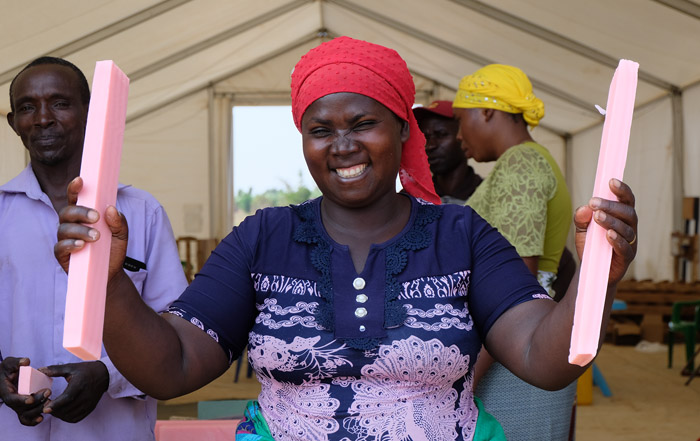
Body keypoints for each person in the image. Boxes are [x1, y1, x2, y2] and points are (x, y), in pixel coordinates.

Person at [55, 37, 638, 441]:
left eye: (364, 123)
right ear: (303, 140)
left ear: (401, 130)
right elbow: (174, 365)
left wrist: (594, 278)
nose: (343, 146)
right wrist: (109, 285)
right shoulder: (264, 239)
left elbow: (544, 357)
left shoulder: (461, 236)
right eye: (320, 130)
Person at [0, 57, 187, 440]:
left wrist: (109, 375)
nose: (43, 118)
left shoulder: (142, 213)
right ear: (13, 123)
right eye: (27, 107)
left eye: (60, 103)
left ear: (91, 112)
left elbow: (177, 330)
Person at [452, 64, 577, 440]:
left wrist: (463, 382)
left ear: (487, 112)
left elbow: (512, 289)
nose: (459, 136)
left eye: (461, 121)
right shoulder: (524, 162)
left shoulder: (522, 165)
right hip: (510, 350)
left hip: (509, 361)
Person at [413, 100, 482, 204]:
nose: (430, 145)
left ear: (463, 136)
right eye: (424, 137)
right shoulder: (412, 198)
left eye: (441, 134)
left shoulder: (491, 195)